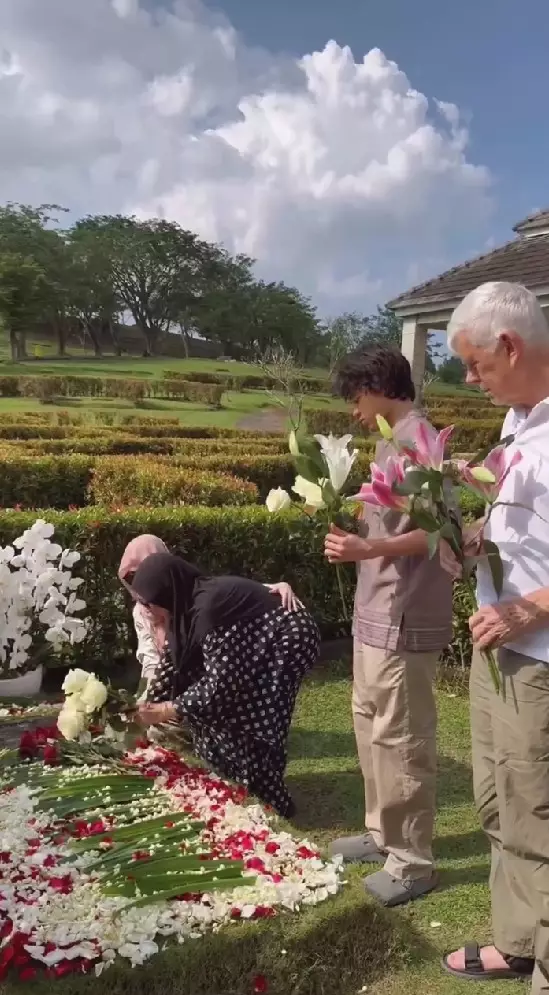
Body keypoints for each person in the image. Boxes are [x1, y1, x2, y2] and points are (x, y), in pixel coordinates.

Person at [439, 281, 549, 990]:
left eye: (475, 364)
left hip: (537, 659)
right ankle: (517, 941)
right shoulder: (518, 423)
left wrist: (530, 608)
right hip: (496, 650)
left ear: (509, 346)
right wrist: (476, 538)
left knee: (537, 817)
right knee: (497, 802)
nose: (470, 379)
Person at [324, 345, 454, 908]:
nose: (353, 410)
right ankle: (382, 833)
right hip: (375, 612)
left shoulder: (419, 440)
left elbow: (441, 533)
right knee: (370, 726)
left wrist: (368, 547)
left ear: (378, 386)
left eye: (356, 397)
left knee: (401, 740)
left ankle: (412, 862)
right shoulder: (388, 440)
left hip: (404, 616)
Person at [129, 551, 320, 817]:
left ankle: (271, 800)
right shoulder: (182, 606)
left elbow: (222, 684)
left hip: (287, 639)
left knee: (250, 715)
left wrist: (167, 709)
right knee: (211, 710)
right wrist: (139, 709)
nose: (145, 610)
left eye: (147, 603)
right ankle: (237, 783)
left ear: (165, 594)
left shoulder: (208, 610)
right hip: (256, 637)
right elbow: (172, 666)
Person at [118, 535, 303, 699]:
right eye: (131, 576)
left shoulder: (187, 596)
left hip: (205, 677)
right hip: (171, 680)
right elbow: (150, 658)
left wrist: (274, 589)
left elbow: (233, 596)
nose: (141, 581)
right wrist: (149, 696)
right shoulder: (141, 611)